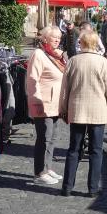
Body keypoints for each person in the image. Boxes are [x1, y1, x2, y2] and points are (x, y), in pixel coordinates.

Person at [59, 30, 107, 197]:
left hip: (77, 111)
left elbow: (65, 90)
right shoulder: (103, 63)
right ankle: (92, 189)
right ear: (95, 43)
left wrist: (63, 110)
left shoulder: (73, 61)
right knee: (96, 150)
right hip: (98, 111)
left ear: (81, 43)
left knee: (74, 149)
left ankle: (67, 187)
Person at [26, 26, 68, 185]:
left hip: (56, 103)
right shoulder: (38, 54)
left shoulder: (55, 55)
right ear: (45, 39)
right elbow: (32, 80)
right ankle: (39, 172)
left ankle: (47, 167)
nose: (57, 40)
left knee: (52, 138)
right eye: (54, 37)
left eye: (59, 37)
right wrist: (35, 102)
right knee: (44, 138)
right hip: (43, 103)